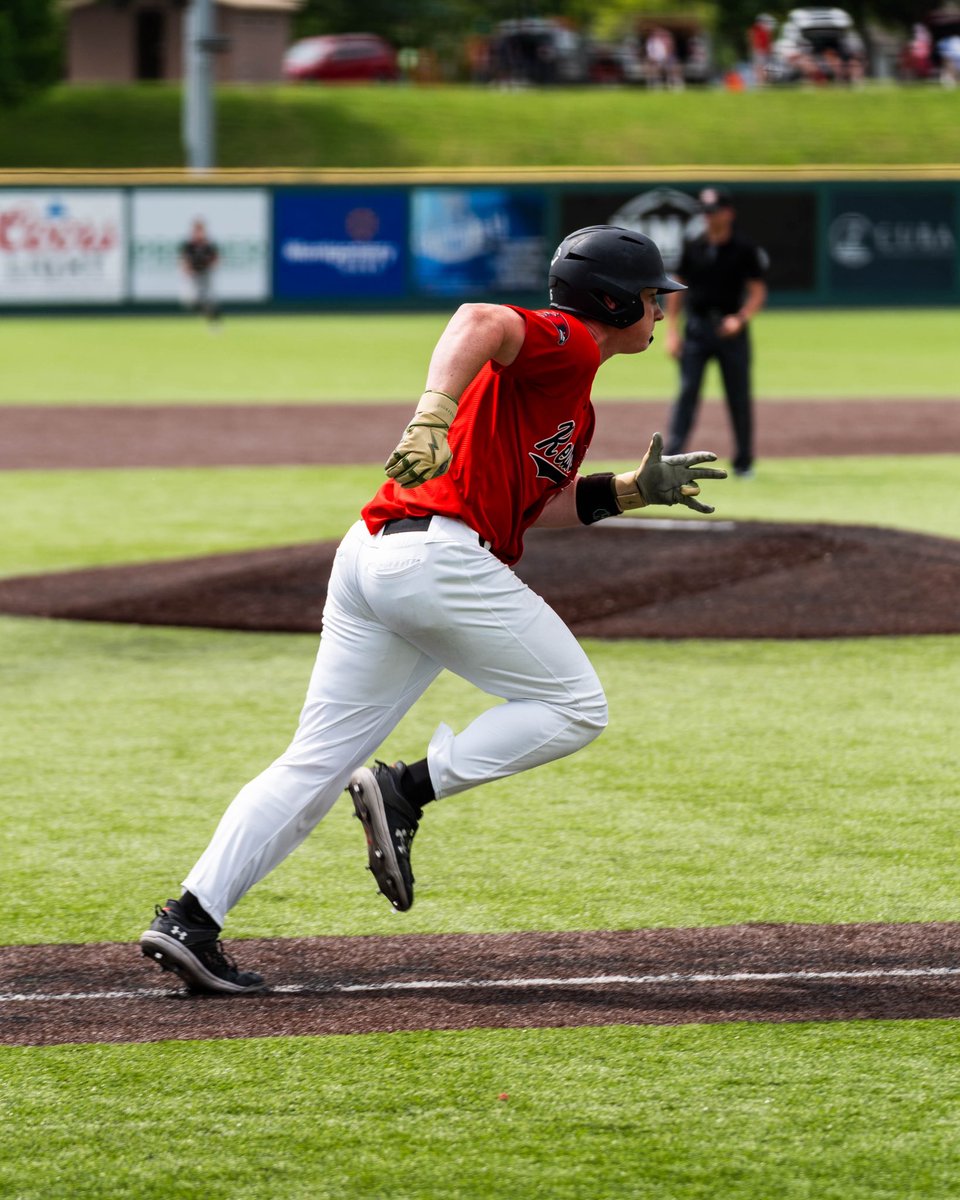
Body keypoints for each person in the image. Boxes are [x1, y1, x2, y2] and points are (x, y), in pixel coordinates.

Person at [139, 226, 727, 995]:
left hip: (378, 555)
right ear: (615, 300)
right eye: (654, 296)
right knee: (576, 706)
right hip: (433, 560)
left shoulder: (574, 405)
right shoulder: (570, 342)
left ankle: (190, 918)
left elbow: (533, 505)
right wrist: (430, 416)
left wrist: (631, 491)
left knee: (313, 763)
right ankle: (406, 789)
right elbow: (478, 320)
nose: (661, 309)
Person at [663, 187, 768, 479]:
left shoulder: (743, 248)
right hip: (697, 328)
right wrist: (672, 331)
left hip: (731, 330)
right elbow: (676, 288)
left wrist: (741, 319)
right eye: (705, 212)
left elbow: (758, 291)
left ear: (728, 213)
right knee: (687, 393)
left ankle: (744, 462)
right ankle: (671, 460)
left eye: (714, 211)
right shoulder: (693, 245)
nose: (709, 217)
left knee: (738, 396)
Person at [178, 218, 220, 324]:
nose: (198, 233)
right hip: (193, 275)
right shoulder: (189, 246)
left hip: (205, 274)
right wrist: (186, 269)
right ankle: (206, 314)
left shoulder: (208, 245)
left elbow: (216, 259)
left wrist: (211, 266)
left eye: (200, 230)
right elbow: (183, 260)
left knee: (208, 299)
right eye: (196, 231)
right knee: (190, 300)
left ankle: (214, 320)